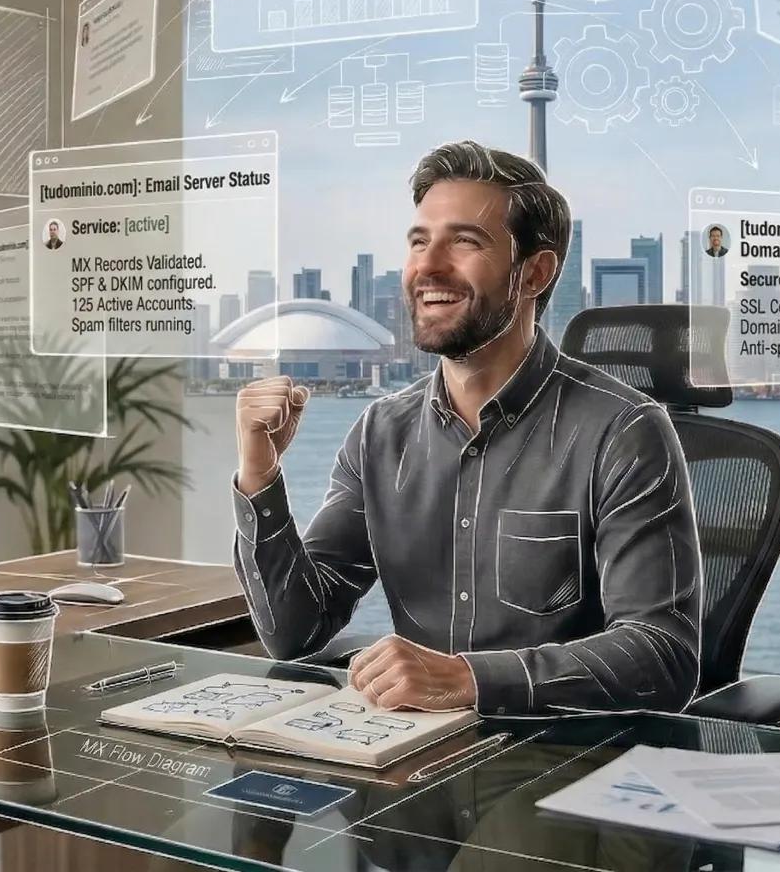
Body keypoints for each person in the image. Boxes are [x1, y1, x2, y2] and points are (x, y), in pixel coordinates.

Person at [231, 140, 702, 717]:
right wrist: (260, 474)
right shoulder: (380, 432)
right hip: (409, 751)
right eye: (418, 241)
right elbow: (295, 633)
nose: (428, 267)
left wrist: (469, 679)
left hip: (560, 752)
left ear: (535, 273)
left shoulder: (623, 431)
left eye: (464, 242)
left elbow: (661, 656)